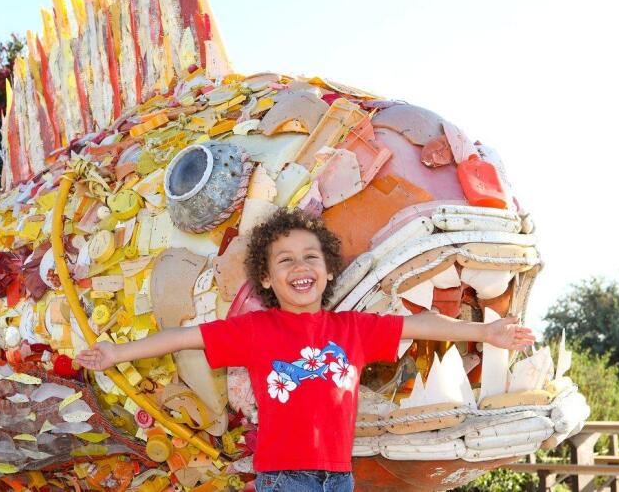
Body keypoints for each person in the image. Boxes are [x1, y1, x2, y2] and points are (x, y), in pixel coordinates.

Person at [76, 208, 535, 492]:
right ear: (268, 279)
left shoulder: (353, 328)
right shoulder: (256, 329)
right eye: (285, 260)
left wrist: (487, 334)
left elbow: (422, 323)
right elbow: (182, 338)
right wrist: (115, 354)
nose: (300, 267)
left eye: (310, 256)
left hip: (338, 477)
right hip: (283, 479)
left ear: (329, 269)